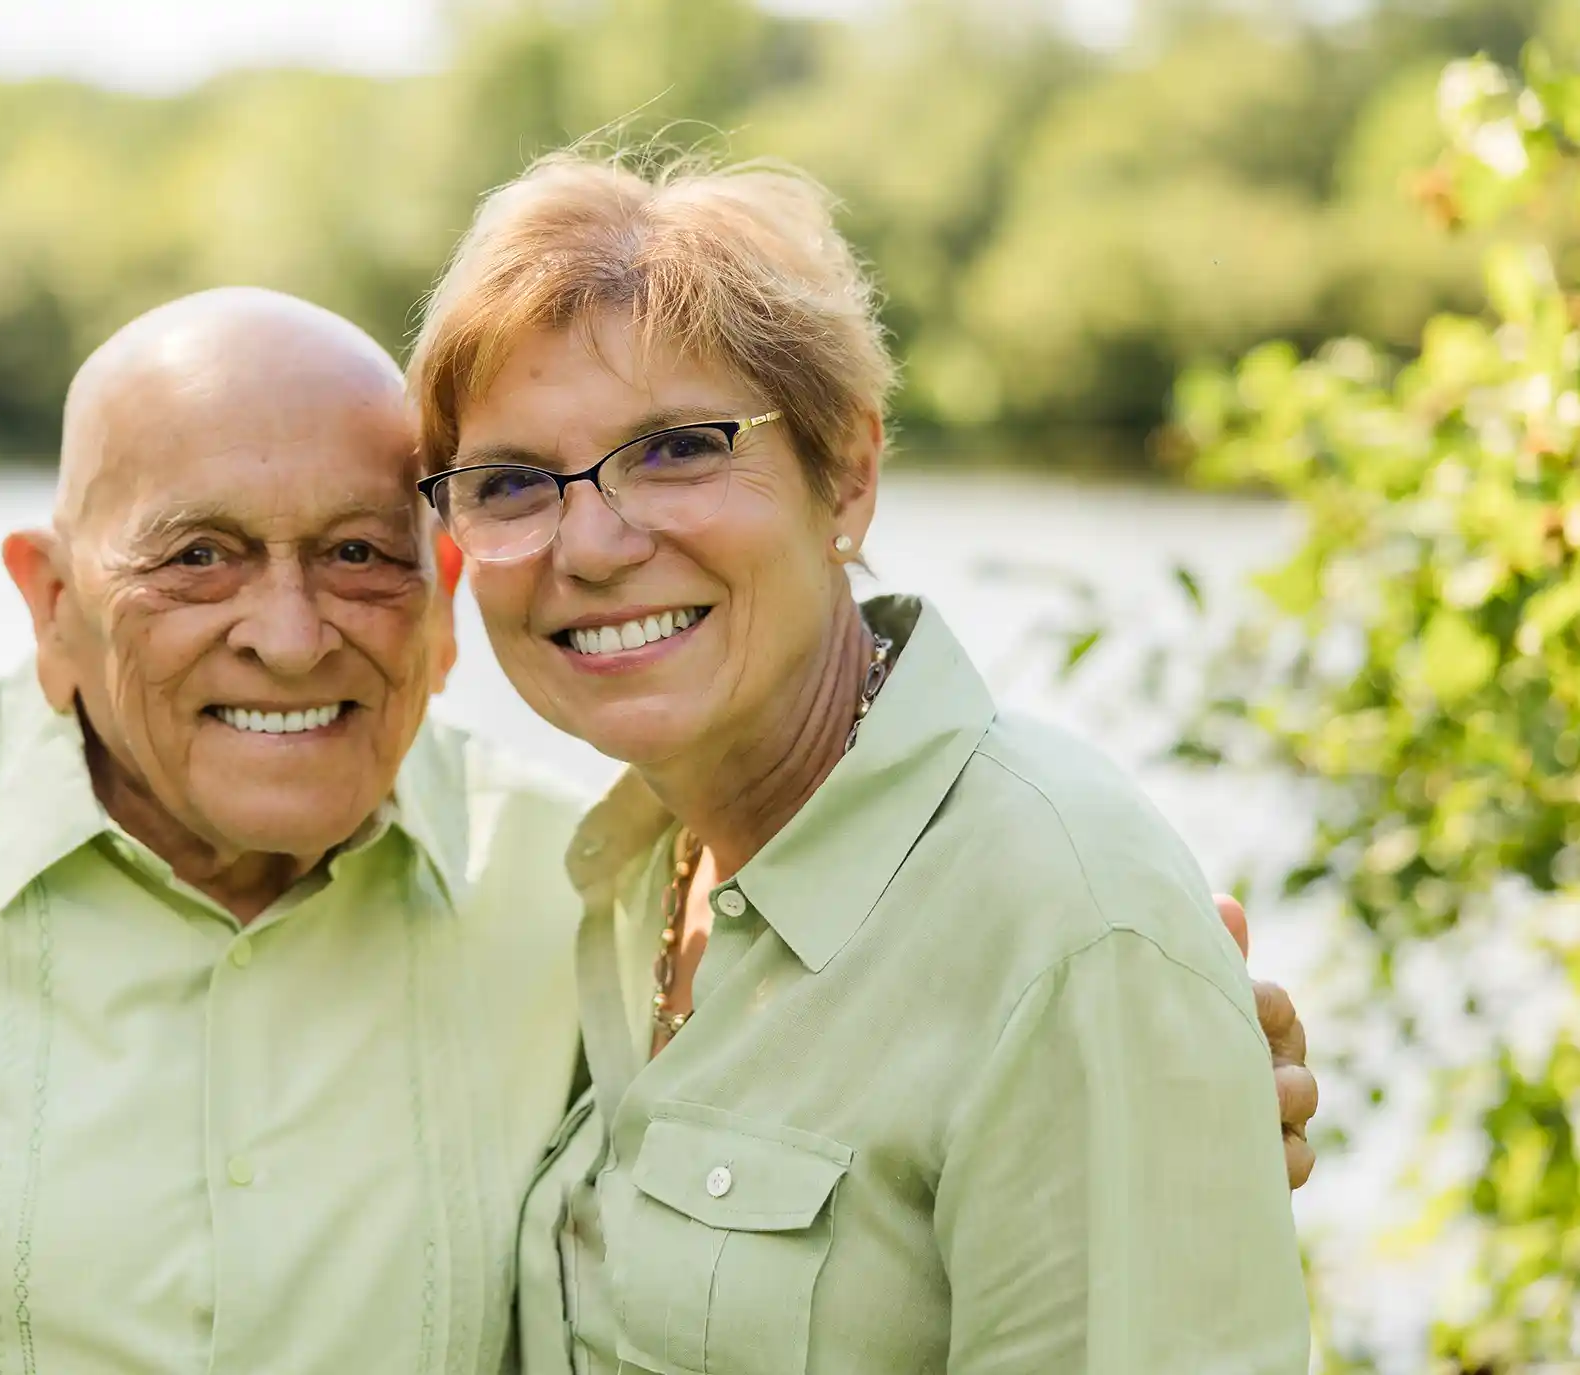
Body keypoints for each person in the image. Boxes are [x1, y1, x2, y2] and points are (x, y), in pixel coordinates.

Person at [0, 288, 1313, 1373]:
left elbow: (858, 1080)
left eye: (358, 555)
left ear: (445, 598)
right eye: (195, 555)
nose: (287, 632)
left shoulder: (579, 889)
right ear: (47, 600)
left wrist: (1153, 1058)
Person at [410, 153, 1314, 1374]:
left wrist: (1156, 1031)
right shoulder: (621, 881)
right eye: (511, 481)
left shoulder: (1065, 925)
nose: (593, 542)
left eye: (676, 448)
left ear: (846, 477)